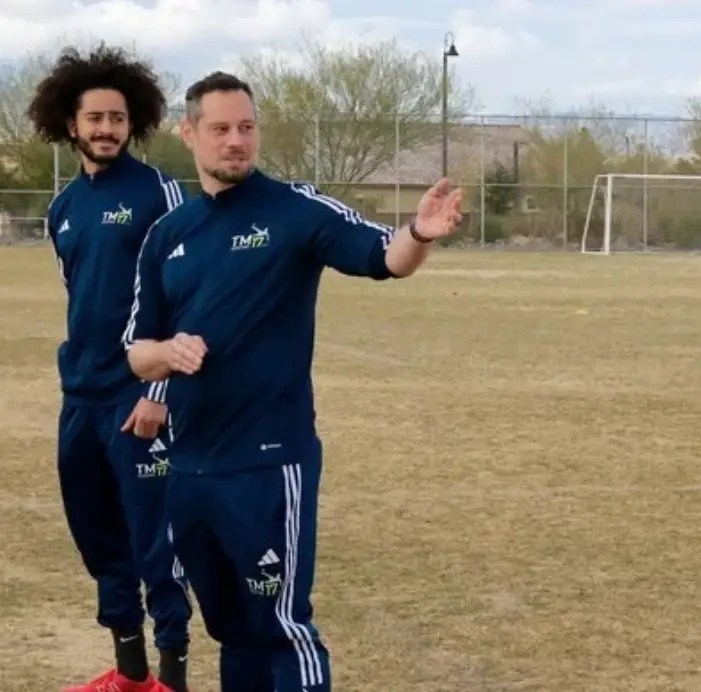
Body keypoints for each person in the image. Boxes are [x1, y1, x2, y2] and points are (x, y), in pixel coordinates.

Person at [122, 71, 462, 691]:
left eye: (246, 128)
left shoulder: (293, 210)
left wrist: (418, 234)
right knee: (231, 631)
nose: (235, 142)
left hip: (269, 465)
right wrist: (168, 351)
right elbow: (137, 353)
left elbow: (383, 258)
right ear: (189, 133)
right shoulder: (168, 235)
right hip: (191, 469)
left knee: (281, 628)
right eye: (220, 129)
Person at [26, 44, 193, 692]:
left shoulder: (159, 193)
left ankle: (173, 679)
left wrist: (157, 390)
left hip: (138, 398)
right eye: (93, 118)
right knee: (98, 538)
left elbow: (185, 295)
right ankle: (130, 674)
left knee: (156, 544)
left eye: (117, 118)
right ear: (70, 124)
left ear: (134, 123)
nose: (105, 130)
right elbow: (82, 297)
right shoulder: (62, 209)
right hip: (81, 399)